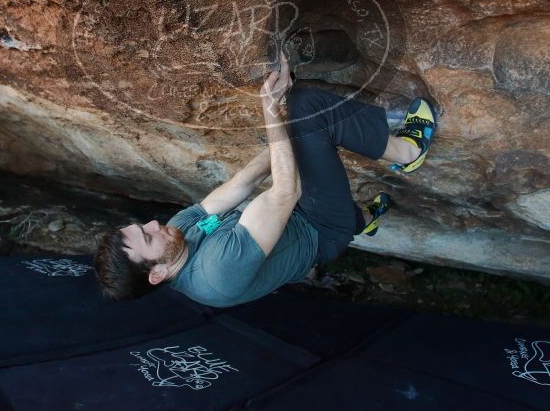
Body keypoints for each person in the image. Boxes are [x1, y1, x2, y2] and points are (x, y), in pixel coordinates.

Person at [93, 52, 437, 307]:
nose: (154, 223)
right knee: (307, 106)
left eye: (143, 225)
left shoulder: (176, 233)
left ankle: (363, 220)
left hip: (292, 215)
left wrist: (285, 128)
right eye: (147, 237)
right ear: (156, 275)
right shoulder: (217, 272)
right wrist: (272, 110)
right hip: (319, 230)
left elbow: (241, 184)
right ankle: (408, 153)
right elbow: (286, 192)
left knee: (300, 129)